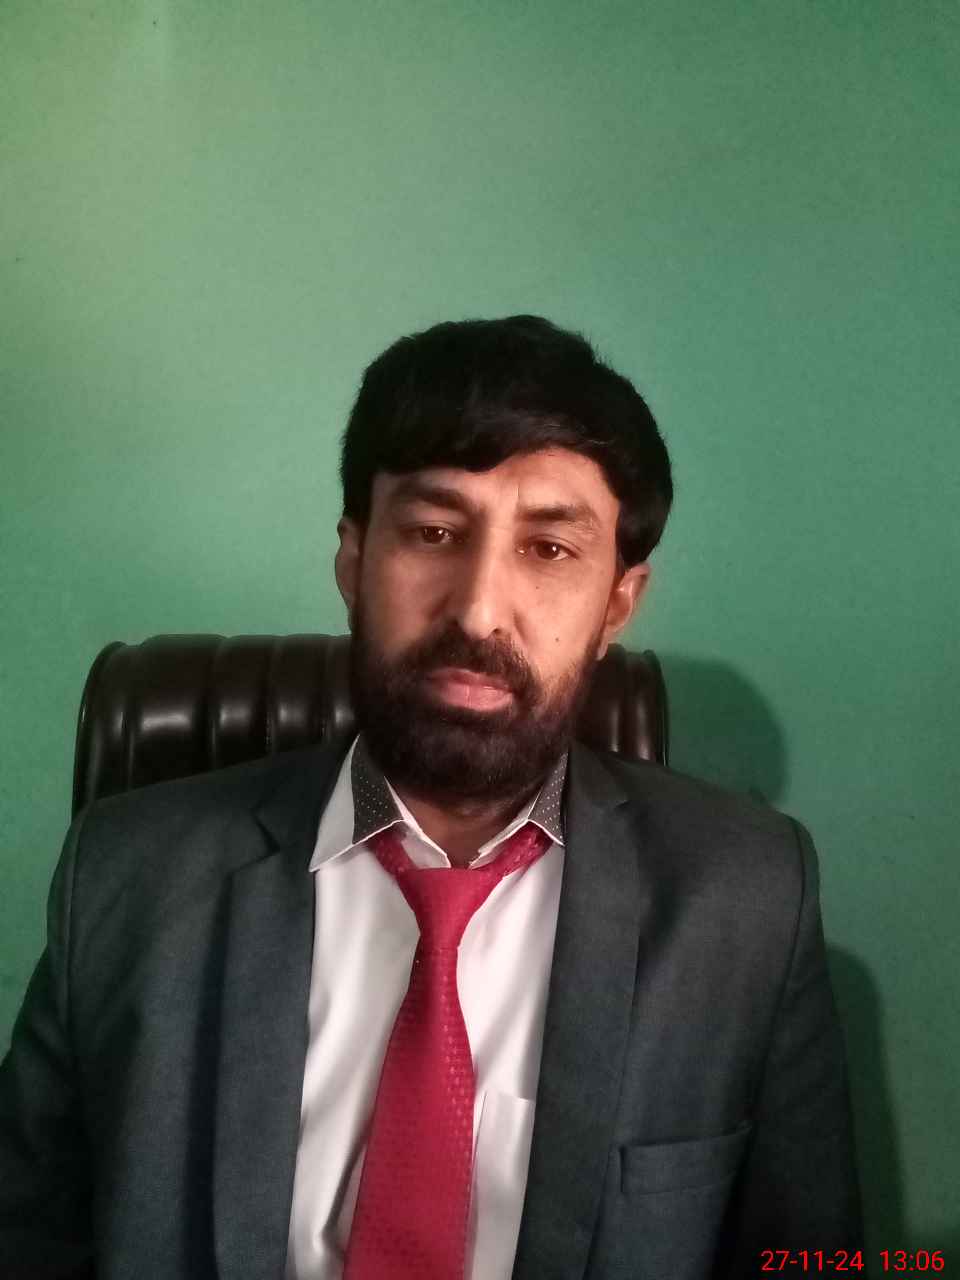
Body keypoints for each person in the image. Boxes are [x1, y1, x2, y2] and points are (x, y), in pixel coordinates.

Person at [0, 315, 862, 1280]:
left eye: (550, 549)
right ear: (354, 559)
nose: (479, 609)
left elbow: (809, 1261)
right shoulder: (123, 877)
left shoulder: (747, 901)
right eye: (434, 532)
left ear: (618, 603)